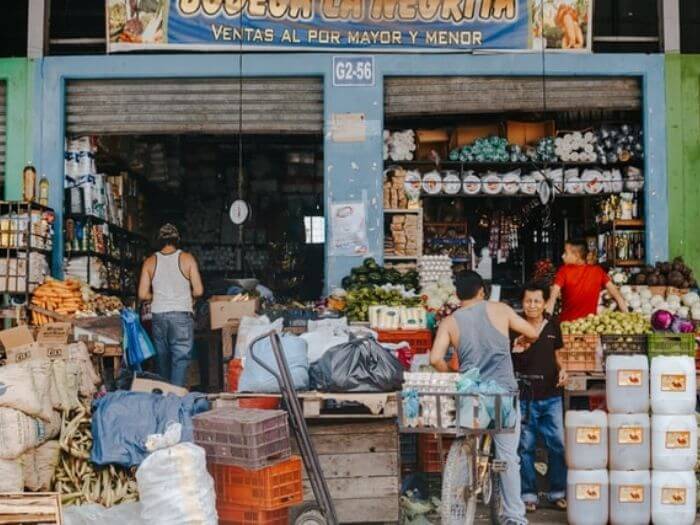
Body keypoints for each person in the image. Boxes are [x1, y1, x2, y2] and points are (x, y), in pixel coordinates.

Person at [430, 271, 540, 525]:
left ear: (458, 294)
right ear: (482, 291)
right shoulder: (499, 309)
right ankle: (514, 517)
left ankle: (467, 469)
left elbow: (436, 359)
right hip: (502, 394)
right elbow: (532, 333)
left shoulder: (450, 321)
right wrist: (522, 338)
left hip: (471, 395)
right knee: (507, 458)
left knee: (470, 437)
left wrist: (455, 374)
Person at [512, 281, 567, 513]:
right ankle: (528, 494)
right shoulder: (515, 326)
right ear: (522, 303)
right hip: (525, 396)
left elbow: (558, 354)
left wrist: (563, 368)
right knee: (526, 447)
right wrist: (515, 349)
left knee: (558, 445)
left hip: (552, 395)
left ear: (545, 303)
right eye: (528, 301)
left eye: (537, 301)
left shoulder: (553, 325)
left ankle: (558, 493)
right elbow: (508, 357)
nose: (532, 305)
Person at [138, 224, 204, 386]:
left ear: (159, 241)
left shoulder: (150, 262)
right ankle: (176, 399)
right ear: (177, 240)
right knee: (180, 359)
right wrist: (187, 295)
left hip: (159, 315)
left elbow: (142, 295)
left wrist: (156, 296)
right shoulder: (187, 259)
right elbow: (199, 291)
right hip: (181, 314)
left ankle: (165, 399)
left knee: (162, 359)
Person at [546, 239, 627, 321]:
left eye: (566, 253)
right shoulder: (598, 271)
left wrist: (545, 322)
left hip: (567, 326)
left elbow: (552, 298)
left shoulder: (563, 271)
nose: (562, 256)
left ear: (577, 255)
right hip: (589, 326)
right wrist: (627, 316)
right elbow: (617, 295)